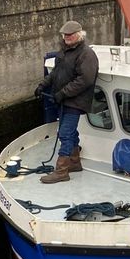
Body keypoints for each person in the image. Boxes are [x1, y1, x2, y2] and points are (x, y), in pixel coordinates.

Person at [36, 20, 99, 184]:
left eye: (70, 35)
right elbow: (56, 73)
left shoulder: (86, 54)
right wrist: (42, 84)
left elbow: (85, 80)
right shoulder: (63, 52)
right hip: (64, 100)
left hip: (76, 102)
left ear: (79, 35)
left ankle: (62, 171)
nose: (67, 38)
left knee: (64, 133)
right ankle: (75, 162)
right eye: (65, 35)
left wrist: (63, 93)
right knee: (70, 132)